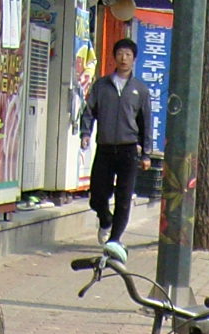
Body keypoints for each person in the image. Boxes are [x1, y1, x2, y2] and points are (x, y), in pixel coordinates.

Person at [80, 38, 152, 251]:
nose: (124, 58)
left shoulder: (140, 90)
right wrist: (85, 133)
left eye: (128, 55)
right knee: (97, 195)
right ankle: (105, 219)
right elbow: (89, 111)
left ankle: (114, 239)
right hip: (105, 147)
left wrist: (146, 153)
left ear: (134, 59)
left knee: (124, 196)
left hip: (129, 149)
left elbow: (146, 123)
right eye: (120, 53)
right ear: (114, 57)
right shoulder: (102, 86)